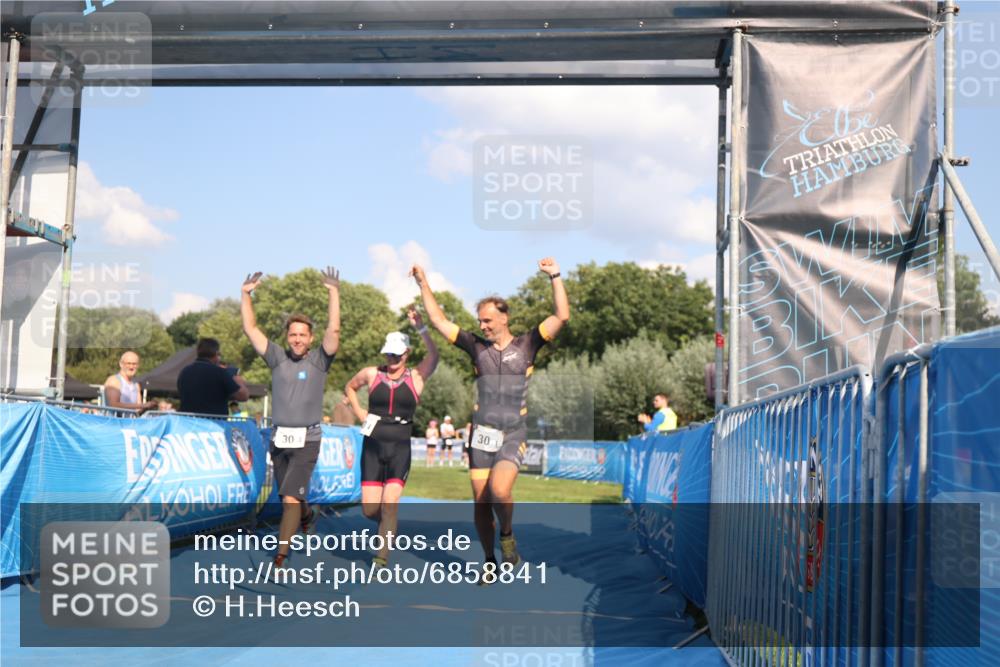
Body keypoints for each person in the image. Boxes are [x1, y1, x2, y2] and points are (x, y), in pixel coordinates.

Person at [412, 257, 569, 576]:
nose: (482, 326)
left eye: (487, 320)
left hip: (513, 433)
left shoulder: (528, 343)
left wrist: (555, 276)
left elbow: (561, 315)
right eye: (480, 321)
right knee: (481, 503)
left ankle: (507, 535)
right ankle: (489, 559)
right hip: (481, 437)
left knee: (500, 491)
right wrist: (424, 285)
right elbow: (440, 321)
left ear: (504, 317)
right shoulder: (475, 346)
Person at [241, 266, 340, 569]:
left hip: (308, 439)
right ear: (287, 337)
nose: (297, 339)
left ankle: (281, 555)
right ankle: (309, 518)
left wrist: (333, 293)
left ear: (311, 339)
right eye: (293, 334)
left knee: (289, 500)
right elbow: (251, 329)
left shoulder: (320, 359)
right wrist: (246, 296)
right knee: (292, 496)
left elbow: (333, 332)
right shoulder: (276, 357)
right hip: (279, 437)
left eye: (302, 335)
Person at [344, 307, 438, 567]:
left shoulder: (416, 377)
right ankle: (389, 524)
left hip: (399, 447)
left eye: (397, 354)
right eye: (388, 353)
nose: (392, 358)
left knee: (390, 502)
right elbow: (349, 387)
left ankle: (381, 556)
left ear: (406, 354)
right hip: (373, 446)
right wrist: (359, 410)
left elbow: (434, 355)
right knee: (370, 510)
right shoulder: (372, 373)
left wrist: (421, 327)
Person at [177, 337, 250, 416]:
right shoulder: (220, 372)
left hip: (187, 423)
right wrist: (237, 380)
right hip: (213, 424)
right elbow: (243, 396)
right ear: (216, 353)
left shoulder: (184, 372)